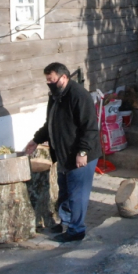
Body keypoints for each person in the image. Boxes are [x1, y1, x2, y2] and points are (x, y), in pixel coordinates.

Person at [25, 63, 102, 243]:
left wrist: (82, 152)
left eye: (52, 80)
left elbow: (90, 128)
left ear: (64, 77)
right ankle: (66, 222)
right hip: (63, 153)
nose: (49, 83)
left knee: (77, 194)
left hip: (81, 154)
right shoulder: (55, 96)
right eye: (47, 80)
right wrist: (36, 140)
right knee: (65, 192)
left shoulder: (79, 96)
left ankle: (76, 230)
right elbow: (50, 123)